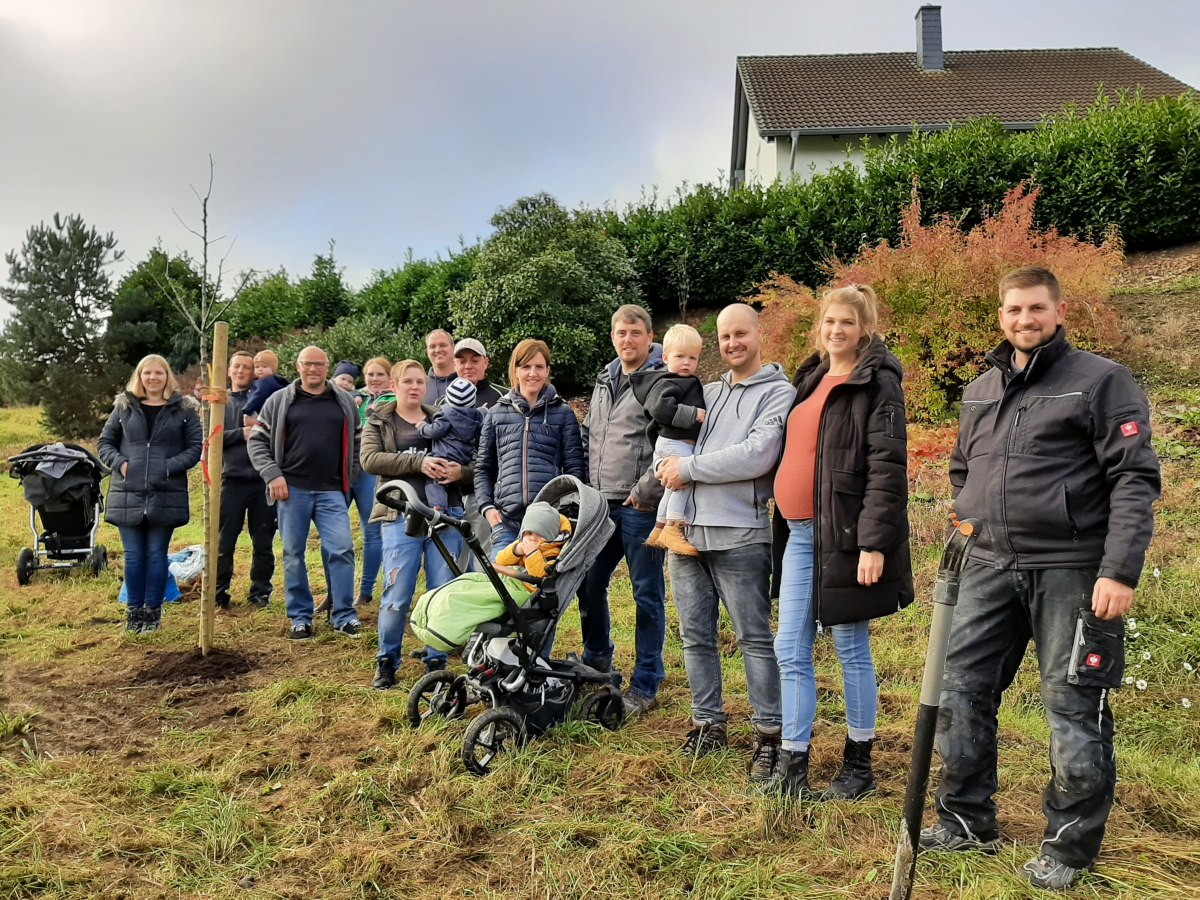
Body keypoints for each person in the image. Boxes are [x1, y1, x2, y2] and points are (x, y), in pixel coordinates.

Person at [922, 267, 1161, 891]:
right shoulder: (980, 389)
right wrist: (971, 514)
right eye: (1012, 311)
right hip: (988, 566)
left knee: (1072, 706)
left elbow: (1134, 479)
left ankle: (1068, 848)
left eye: (1035, 309)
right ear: (1000, 316)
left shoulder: (1101, 381)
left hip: (1072, 570)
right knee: (960, 690)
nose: (1023, 320)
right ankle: (966, 820)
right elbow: (961, 469)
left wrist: (1119, 569)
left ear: (1057, 312)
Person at [771, 285, 913, 799]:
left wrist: (872, 543)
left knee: (851, 647)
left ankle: (858, 765)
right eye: (829, 322)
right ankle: (793, 765)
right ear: (820, 327)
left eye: (847, 324)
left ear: (864, 329)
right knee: (790, 648)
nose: (837, 331)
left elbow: (887, 468)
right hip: (800, 536)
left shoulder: (878, 384)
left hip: (847, 539)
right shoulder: (809, 379)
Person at [657, 303, 792, 782]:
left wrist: (687, 471)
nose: (732, 343)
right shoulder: (708, 393)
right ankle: (707, 723)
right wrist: (659, 469)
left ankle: (769, 735)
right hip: (687, 534)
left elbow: (757, 455)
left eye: (740, 334)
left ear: (759, 334)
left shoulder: (778, 393)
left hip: (739, 535)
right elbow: (668, 434)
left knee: (754, 638)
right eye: (724, 337)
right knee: (696, 637)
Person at [576, 305, 669, 719]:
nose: (626, 339)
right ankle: (598, 661)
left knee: (646, 593)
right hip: (600, 506)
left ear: (649, 336)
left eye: (634, 332)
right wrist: (582, 491)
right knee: (587, 584)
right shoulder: (603, 380)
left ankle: (647, 681)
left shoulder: (663, 379)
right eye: (619, 332)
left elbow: (673, 440)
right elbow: (589, 435)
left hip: (639, 506)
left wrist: (646, 490)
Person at [361, 359, 468, 687]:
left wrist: (460, 472)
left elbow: (472, 459)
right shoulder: (380, 420)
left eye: (419, 381)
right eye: (407, 381)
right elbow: (370, 460)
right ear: (394, 385)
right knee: (397, 593)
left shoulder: (442, 418)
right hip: (400, 516)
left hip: (445, 516)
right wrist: (419, 462)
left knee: (440, 592)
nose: (414, 387)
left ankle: (435, 661)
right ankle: (387, 660)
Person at [247, 345, 363, 640]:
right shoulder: (279, 401)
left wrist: (349, 478)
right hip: (291, 490)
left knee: (342, 550)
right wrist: (272, 474)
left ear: (327, 367)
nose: (313, 369)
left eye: (319, 364)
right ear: (297, 367)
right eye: (307, 364)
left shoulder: (344, 401)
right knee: (294, 554)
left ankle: (344, 615)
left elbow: (358, 442)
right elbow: (257, 441)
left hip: (332, 491)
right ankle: (300, 617)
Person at [98, 354, 203, 633]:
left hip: (165, 492)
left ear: (167, 376)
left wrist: (167, 468)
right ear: (140, 376)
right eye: (147, 373)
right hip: (127, 492)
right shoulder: (123, 407)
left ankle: (153, 613)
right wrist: (121, 464)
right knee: (133, 556)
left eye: (159, 373)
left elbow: (194, 448)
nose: (153, 378)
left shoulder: (183, 409)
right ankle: (134, 613)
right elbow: (105, 443)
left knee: (157, 555)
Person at [475, 338, 586, 554]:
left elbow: (575, 471)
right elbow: (483, 469)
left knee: (546, 586)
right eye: (526, 366)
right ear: (515, 370)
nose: (532, 373)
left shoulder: (562, 414)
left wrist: (565, 513)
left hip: (547, 522)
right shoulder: (496, 414)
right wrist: (487, 508)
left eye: (539, 367)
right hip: (506, 523)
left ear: (547, 371)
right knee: (504, 585)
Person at [633, 323, 707, 557]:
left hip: (671, 443)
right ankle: (674, 528)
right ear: (665, 357)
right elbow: (661, 409)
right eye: (680, 356)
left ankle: (659, 528)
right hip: (674, 443)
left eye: (692, 358)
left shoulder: (682, 381)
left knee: (669, 489)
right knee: (682, 483)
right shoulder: (668, 381)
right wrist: (693, 414)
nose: (686, 362)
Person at [216, 350, 276, 610]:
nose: (241, 371)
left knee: (263, 541)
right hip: (231, 480)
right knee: (223, 542)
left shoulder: (264, 399)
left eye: (247, 367)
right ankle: (218, 592)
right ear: (229, 370)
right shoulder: (219, 402)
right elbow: (211, 439)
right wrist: (241, 433)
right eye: (236, 366)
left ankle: (260, 592)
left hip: (263, 480)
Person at [348, 357, 394, 606]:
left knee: (371, 531)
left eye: (379, 374)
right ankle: (336, 593)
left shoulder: (392, 399)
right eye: (370, 374)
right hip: (347, 467)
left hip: (370, 472)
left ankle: (365, 591)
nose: (374, 379)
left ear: (389, 378)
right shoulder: (354, 398)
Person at [418, 377, 484, 510]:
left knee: (434, 481)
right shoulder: (476, 417)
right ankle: (453, 509)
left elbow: (435, 432)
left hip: (444, 456)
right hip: (463, 459)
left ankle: (439, 508)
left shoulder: (445, 416)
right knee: (453, 485)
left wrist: (422, 427)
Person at [492, 501, 573, 588]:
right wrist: (516, 551)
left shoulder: (552, 552)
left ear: (551, 536)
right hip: (508, 582)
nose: (533, 538)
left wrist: (532, 554)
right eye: (529, 533)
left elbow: (540, 578)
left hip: (526, 590)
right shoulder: (520, 544)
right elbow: (499, 561)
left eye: (540, 534)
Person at [453, 338, 504, 409]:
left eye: (475, 361)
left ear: (486, 363)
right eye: (462, 361)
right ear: (454, 365)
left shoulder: (504, 397)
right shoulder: (444, 403)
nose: (468, 366)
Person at [242, 349, 289, 422]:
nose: (260, 369)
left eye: (264, 367)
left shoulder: (266, 382)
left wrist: (247, 409)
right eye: (257, 367)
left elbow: (258, 395)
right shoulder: (277, 382)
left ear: (273, 369)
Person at [423, 329, 457, 405]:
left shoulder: (465, 382)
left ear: (453, 348)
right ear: (427, 352)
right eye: (432, 346)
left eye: (443, 345)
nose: (438, 350)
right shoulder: (420, 385)